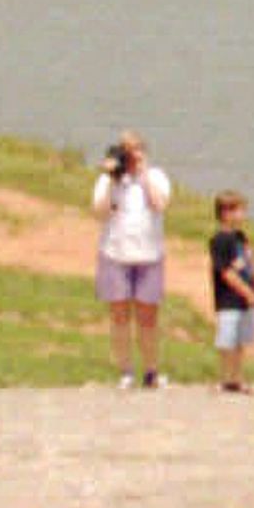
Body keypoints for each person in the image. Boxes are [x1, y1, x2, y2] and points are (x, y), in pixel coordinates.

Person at [89, 129, 172, 389]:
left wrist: (143, 175)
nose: (132, 156)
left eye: (136, 149)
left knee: (148, 316)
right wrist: (112, 178)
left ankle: (151, 369)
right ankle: (125, 370)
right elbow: (99, 212)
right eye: (127, 150)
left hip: (149, 254)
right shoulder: (109, 181)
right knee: (119, 314)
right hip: (116, 252)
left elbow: (159, 204)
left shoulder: (156, 176)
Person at [207, 192, 254, 393]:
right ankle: (224, 377)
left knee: (240, 340)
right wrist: (245, 290)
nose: (243, 214)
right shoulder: (220, 240)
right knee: (227, 339)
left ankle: (237, 377)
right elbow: (226, 272)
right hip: (228, 299)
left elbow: (248, 264)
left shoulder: (240, 237)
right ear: (226, 213)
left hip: (244, 299)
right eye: (239, 210)